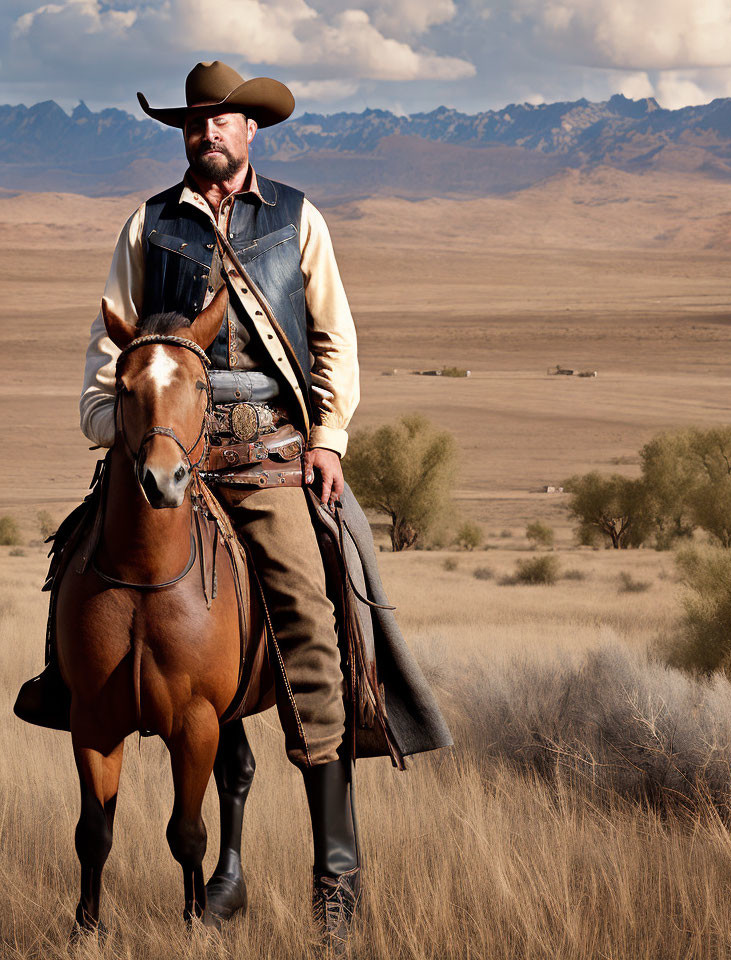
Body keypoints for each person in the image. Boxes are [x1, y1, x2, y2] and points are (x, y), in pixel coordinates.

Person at [13, 60, 442, 949]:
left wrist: (327, 441)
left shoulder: (298, 219)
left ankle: (335, 875)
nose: (209, 131)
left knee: (309, 617)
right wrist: (113, 426)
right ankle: (68, 684)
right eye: (196, 121)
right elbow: (111, 342)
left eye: (225, 120)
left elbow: (335, 340)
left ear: (253, 130)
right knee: (77, 560)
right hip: (167, 447)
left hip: (266, 459)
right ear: (184, 133)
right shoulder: (147, 223)